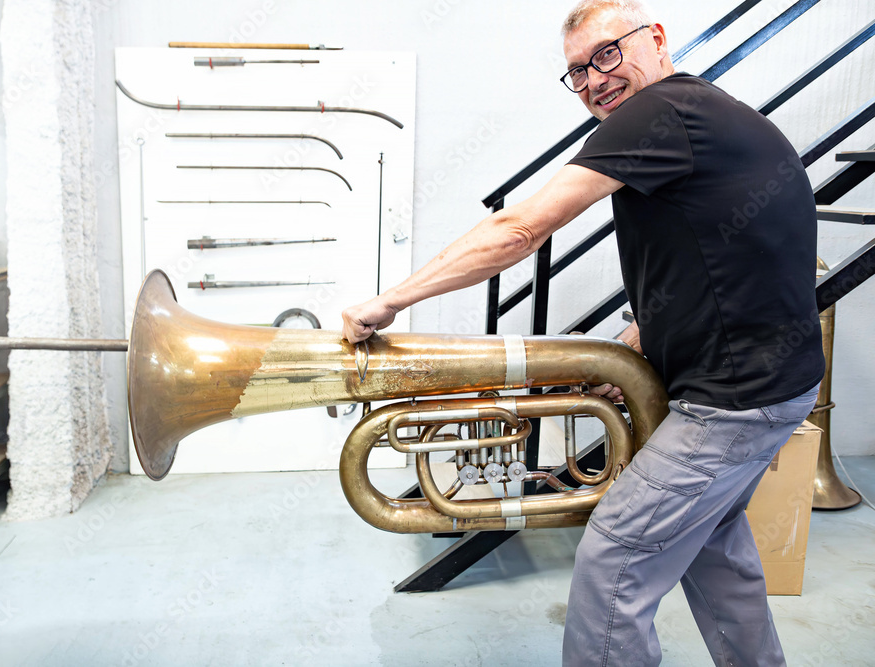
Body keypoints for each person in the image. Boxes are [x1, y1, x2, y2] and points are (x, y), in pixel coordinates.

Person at [342, 0, 825, 664]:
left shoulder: (661, 114)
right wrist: (630, 344)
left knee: (612, 565)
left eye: (607, 53)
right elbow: (720, 265)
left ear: (656, 40)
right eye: (577, 71)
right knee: (717, 554)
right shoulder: (696, 116)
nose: (595, 79)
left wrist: (391, 300)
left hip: (732, 404)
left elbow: (519, 229)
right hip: (766, 387)